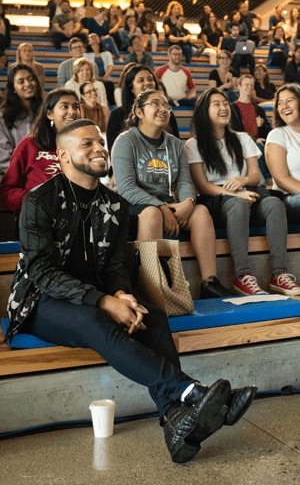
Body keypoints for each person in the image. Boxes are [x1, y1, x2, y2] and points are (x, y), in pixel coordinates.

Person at [5, 118, 257, 463]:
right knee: (96, 319)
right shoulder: (40, 201)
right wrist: (104, 301)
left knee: (152, 317)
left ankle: (175, 426)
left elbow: (116, 264)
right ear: (63, 156)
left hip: (96, 298)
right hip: (39, 301)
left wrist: (121, 293)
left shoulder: (115, 204)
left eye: (99, 142)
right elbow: (42, 272)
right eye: (87, 144)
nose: (98, 149)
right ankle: (190, 392)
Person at [112, 88, 232, 299]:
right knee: (152, 214)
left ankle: (209, 282)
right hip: (135, 207)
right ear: (139, 112)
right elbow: (127, 188)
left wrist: (187, 202)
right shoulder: (125, 141)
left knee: (201, 211)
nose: (163, 109)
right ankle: (151, 287)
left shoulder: (175, 144)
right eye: (155, 104)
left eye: (166, 105)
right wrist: (160, 208)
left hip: (169, 205)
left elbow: (185, 182)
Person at [184, 88, 300, 297]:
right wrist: (235, 194)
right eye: (216, 104)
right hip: (218, 201)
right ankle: (243, 276)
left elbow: (255, 176)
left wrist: (243, 180)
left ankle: (279, 274)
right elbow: (202, 185)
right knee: (237, 205)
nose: (223, 108)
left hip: (249, 194)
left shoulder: (242, 138)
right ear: (204, 111)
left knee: (274, 204)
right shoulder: (194, 144)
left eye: (225, 103)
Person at [0, 89, 80, 214]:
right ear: (49, 114)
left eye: (76, 106)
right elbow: (7, 190)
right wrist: (35, 202)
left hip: (77, 219)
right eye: (65, 106)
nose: (72, 112)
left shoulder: (84, 146)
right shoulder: (29, 145)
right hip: (36, 220)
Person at [107, 64, 179, 154]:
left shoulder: (166, 113)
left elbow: (176, 150)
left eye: (150, 79)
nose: (147, 83)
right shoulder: (117, 115)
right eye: (140, 80)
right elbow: (114, 153)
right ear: (131, 88)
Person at [0, 64, 43, 181]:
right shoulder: (3, 118)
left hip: (46, 176)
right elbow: (4, 158)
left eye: (30, 79)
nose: (28, 84)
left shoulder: (47, 113)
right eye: (21, 81)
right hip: (17, 179)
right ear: (13, 88)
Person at [265, 84, 300, 224]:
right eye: (280, 103)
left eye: (289, 100)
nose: (284, 106)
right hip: (291, 198)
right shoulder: (277, 135)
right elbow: (281, 179)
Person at [230, 74, 271, 182]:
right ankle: (267, 179)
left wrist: (260, 126)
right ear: (239, 86)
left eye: (251, 85)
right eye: (246, 84)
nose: (249, 87)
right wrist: (254, 139)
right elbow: (234, 131)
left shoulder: (259, 109)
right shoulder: (232, 108)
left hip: (258, 141)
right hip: (241, 143)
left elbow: (266, 133)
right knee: (258, 146)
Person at [85, 32, 115, 105]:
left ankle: (112, 105)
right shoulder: (85, 55)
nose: (94, 37)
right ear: (88, 42)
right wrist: (95, 77)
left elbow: (110, 66)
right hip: (92, 79)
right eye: (91, 37)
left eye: (95, 36)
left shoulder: (107, 53)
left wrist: (105, 77)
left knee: (109, 85)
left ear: (99, 40)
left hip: (105, 79)